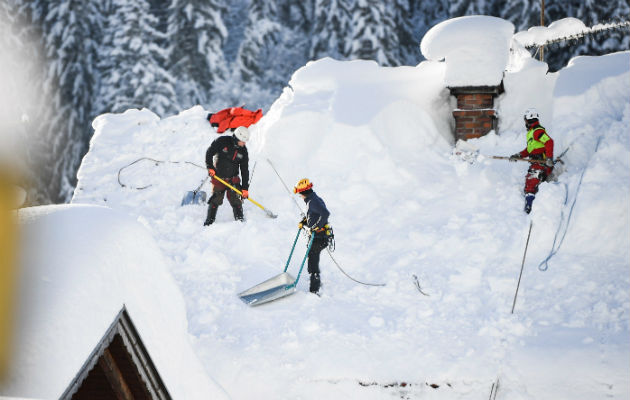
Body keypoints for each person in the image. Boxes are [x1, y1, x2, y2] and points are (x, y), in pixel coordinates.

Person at [510, 108, 554, 214]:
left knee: (530, 184)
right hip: (536, 164)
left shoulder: (537, 131)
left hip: (541, 164)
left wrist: (549, 158)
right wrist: (519, 155)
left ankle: (529, 208)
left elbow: (549, 142)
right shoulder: (532, 133)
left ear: (529, 119)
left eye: (525, 119)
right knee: (532, 184)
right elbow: (529, 150)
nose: (524, 122)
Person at [204, 126, 250, 225]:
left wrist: (245, 188)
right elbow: (209, 152)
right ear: (237, 137)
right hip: (219, 177)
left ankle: (240, 222)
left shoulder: (243, 151)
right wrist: (210, 167)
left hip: (233, 179)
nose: (244, 143)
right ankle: (209, 222)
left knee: (236, 201)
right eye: (242, 141)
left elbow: (244, 170)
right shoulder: (222, 141)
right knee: (216, 199)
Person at [294, 178, 330, 295]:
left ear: (304, 192)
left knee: (313, 261)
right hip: (317, 236)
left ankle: (314, 290)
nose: (300, 196)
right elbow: (314, 214)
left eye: (300, 194)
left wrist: (317, 226)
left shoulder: (313, 201)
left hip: (319, 237)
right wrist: (305, 221)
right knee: (311, 257)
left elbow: (325, 213)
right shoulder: (312, 199)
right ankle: (314, 279)